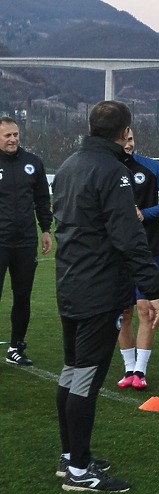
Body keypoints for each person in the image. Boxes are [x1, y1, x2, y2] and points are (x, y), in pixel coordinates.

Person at [53, 100, 159, 492]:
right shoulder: (113, 172)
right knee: (85, 378)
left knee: (72, 372)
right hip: (98, 290)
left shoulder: (68, 167)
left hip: (69, 283)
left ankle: (71, 458)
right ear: (124, 132)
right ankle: (80, 472)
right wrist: (151, 289)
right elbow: (128, 236)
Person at [115, 129, 159, 390]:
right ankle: (128, 369)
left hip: (148, 248)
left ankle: (141, 370)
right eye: (123, 140)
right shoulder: (107, 168)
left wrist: (146, 213)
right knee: (123, 311)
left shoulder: (150, 167)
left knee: (145, 309)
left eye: (131, 140)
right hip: (115, 251)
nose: (128, 145)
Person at [0, 116, 52, 366]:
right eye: (7, 135)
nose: (13, 139)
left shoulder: (33, 162)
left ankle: (15, 347)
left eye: (15, 134)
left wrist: (45, 229)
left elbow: (43, 199)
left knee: (22, 296)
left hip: (24, 242)